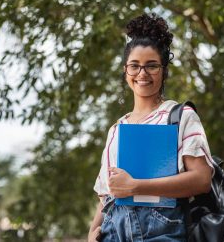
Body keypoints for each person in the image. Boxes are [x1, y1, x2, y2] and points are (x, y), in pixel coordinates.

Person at [88, 13, 213, 242]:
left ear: (164, 70)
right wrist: (92, 231)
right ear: (126, 70)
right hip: (112, 232)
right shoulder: (117, 129)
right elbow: (107, 194)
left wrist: (136, 186)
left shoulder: (180, 116)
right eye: (134, 66)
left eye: (151, 66)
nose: (142, 73)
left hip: (162, 232)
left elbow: (202, 179)